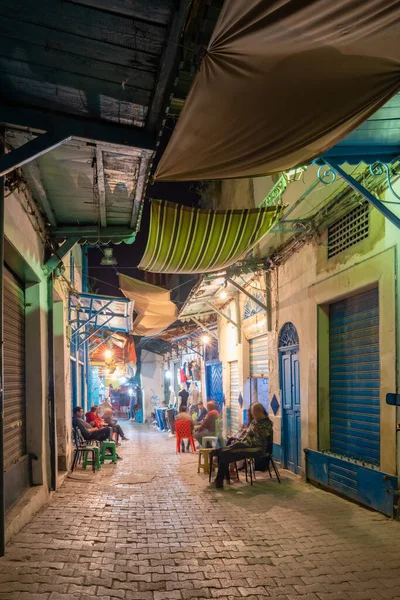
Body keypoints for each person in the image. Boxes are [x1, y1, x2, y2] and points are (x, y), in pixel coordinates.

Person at [210, 402, 273, 489]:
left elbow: (259, 440)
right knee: (227, 454)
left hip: (256, 448)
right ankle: (219, 481)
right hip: (247, 444)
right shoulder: (255, 422)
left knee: (233, 447)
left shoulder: (266, 424)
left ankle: (219, 452)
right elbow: (247, 435)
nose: (252, 415)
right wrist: (240, 440)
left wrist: (244, 441)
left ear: (260, 412)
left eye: (254, 413)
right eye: (252, 413)